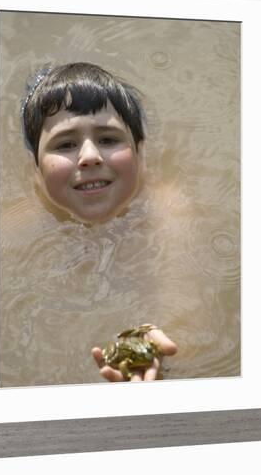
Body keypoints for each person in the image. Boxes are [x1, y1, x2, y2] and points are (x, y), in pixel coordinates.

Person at [20, 61, 177, 382]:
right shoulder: (11, 231)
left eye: (108, 139)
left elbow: (185, 300)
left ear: (141, 155)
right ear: (35, 170)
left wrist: (158, 340)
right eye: (65, 144)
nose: (90, 156)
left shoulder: (169, 212)